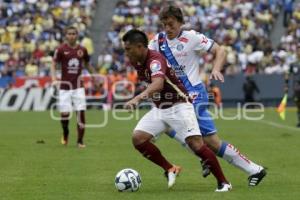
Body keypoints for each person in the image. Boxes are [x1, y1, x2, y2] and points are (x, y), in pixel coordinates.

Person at [148, 5, 266, 186]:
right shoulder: (158, 41)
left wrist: (216, 68)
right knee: (175, 130)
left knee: (206, 139)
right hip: (175, 97)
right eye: (164, 25)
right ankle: (219, 160)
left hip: (194, 94)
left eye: (171, 24)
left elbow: (221, 50)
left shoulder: (192, 37)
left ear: (180, 22)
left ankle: (251, 169)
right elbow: (148, 59)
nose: (168, 29)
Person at [122, 29, 231, 192]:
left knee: (196, 144)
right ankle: (170, 168)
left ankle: (224, 183)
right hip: (161, 109)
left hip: (179, 105)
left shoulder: (155, 60)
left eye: (128, 49)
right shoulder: (136, 61)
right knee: (138, 138)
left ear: (139, 46)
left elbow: (158, 84)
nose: (126, 53)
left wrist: (137, 98)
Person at [51, 26, 95, 148]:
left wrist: (95, 77)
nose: (71, 36)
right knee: (64, 115)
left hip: (78, 87)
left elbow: (87, 64)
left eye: (74, 33)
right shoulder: (60, 49)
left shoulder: (82, 50)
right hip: (65, 87)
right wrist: (54, 78)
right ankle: (65, 132)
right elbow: (54, 64)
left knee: (81, 113)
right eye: (69, 33)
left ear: (77, 35)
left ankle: (80, 141)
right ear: (66, 35)